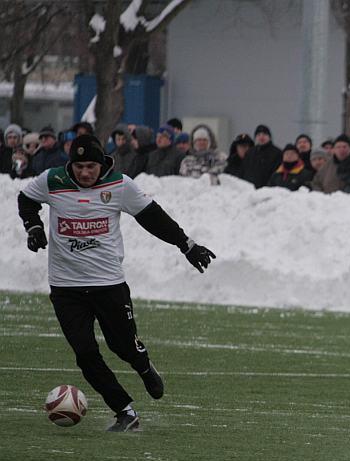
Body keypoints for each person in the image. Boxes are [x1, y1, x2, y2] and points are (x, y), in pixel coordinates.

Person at [17, 134, 215, 432]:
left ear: (102, 164)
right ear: (71, 164)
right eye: (80, 166)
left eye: (91, 167)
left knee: (123, 347)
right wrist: (33, 226)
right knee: (85, 354)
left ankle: (144, 367)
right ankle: (125, 411)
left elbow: (152, 217)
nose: (85, 172)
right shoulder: (52, 180)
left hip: (108, 284)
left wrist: (186, 245)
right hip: (65, 288)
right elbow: (26, 199)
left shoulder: (120, 184)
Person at [242, 124, 282, 189]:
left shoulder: (277, 153)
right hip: (250, 189)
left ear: (269, 137)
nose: (261, 137)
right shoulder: (250, 152)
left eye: (264, 134)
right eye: (258, 135)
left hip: (269, 190)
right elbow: (244, 170)